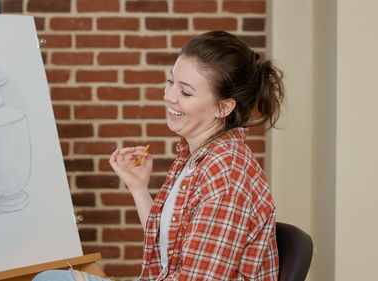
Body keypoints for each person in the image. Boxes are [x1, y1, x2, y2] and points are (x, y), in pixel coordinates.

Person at [34, 30, 284, 281]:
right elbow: (171, 246)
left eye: (185, 92)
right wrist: (139, 188)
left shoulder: (226, 173)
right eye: (170, 81)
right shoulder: (195, 155)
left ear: (223, 107)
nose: (169, 96)